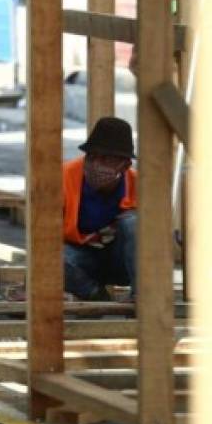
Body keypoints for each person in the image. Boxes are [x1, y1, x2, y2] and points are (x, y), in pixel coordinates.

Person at [63, 117, 137, 301]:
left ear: (125, 165)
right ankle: (94, 294)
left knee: (136, 224)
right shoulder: (62, 177)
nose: (96, 164)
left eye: (106, 159)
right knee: (50, 259)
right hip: (80, 259)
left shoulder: (139, 185)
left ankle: (143, 297)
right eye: (92, 156)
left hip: (122, 263)